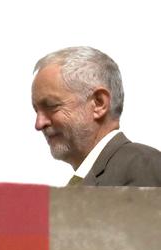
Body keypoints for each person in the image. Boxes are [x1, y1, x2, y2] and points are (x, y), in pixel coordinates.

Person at [31, 46, 161, 186]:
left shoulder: (142, 165)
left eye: (51, 106)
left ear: (99, 103)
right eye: (36, 111)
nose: (39, 124)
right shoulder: (89, 179)